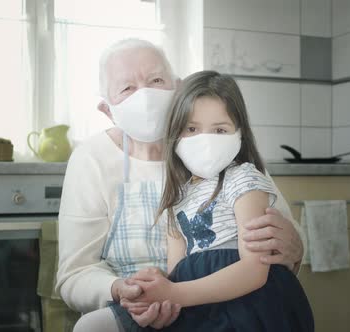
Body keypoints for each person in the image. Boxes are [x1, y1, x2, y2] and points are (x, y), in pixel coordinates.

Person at [56, 39, 306, 331]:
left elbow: (281, 237)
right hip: (140, 305)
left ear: (177, 88)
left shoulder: (221, 153)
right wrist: (125, 291)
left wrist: (295, 248)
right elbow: (75, 274)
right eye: (127, 88)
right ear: (107, 109)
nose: (145, 95)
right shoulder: (91, 158)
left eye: (156, 80)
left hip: (231, 297)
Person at [108, 70, 314, 331]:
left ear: (240, 134)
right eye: (191, 129)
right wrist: (154, 288)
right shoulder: (175, 197)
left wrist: (173, 293)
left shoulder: (243, 179)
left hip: (250, 307)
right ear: (175, 134)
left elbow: (254, 271)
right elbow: (177, 271)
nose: (205, 140)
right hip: (198, 307)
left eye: (219, 130)